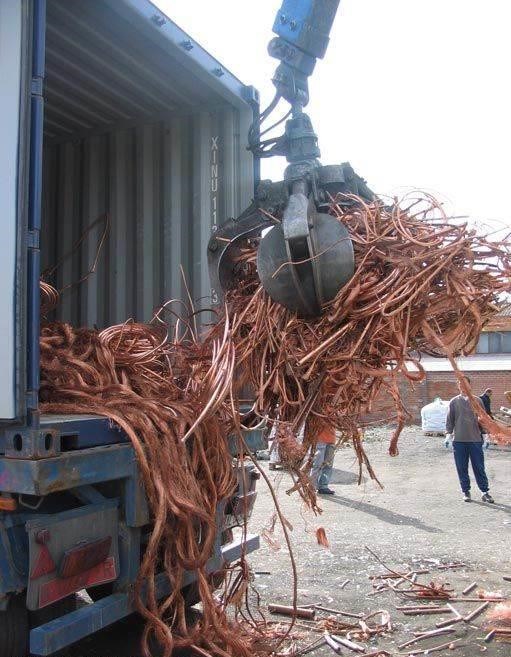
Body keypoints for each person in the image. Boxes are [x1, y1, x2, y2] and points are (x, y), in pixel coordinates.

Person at [445, 376, 494, 503]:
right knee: (461, 467)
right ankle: (466, 491)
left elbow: (483, 419)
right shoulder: (454, 401)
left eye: (465, 383)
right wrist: (448, 435)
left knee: (479, 467)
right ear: (458, 386)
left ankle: (485, 492)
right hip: (459, 441)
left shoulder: (477, 401)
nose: (463, 386)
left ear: (469, 385)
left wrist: (486, 435)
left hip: (475, 440)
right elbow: (450, 419)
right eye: (460, 384)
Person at [310, 423, 336, 495]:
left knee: (328, 465)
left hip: (331, 440)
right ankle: (312, 486)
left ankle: (323, 487)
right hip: (319, 440)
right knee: (317, 464)